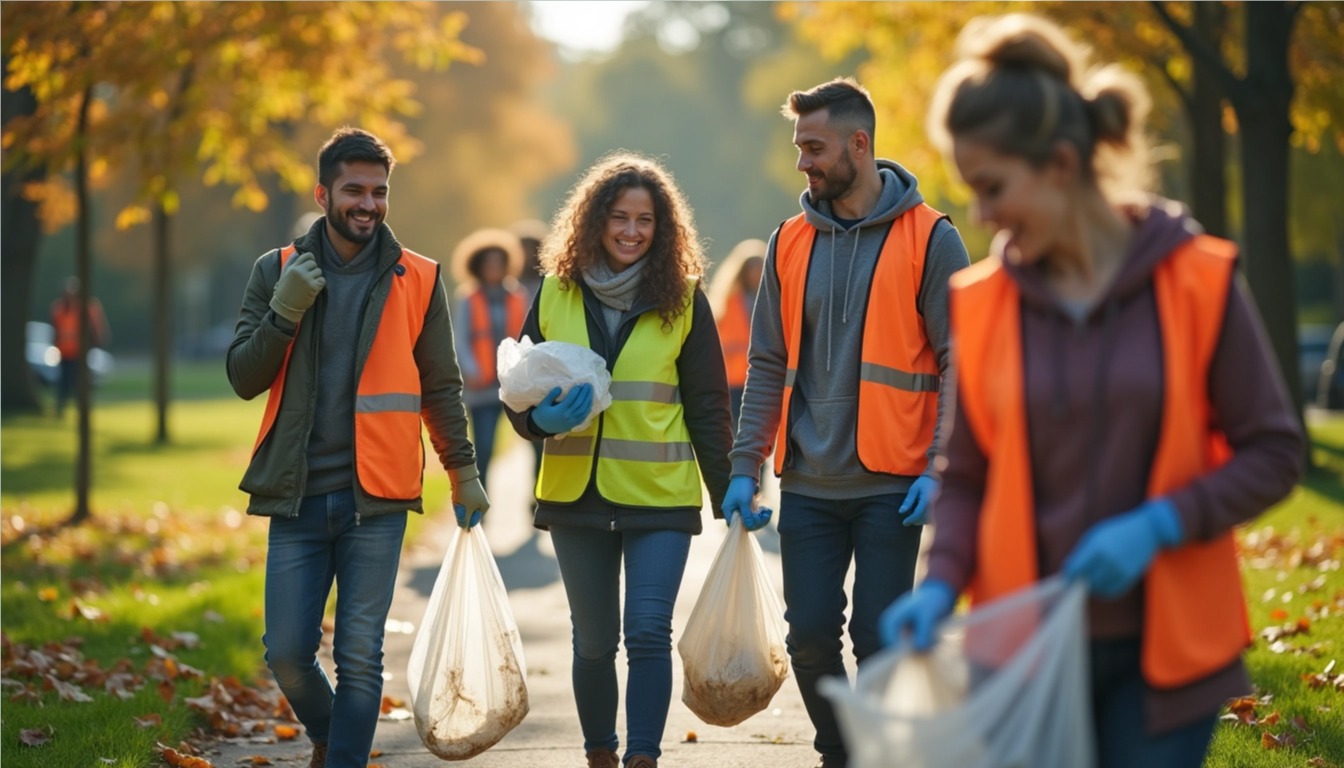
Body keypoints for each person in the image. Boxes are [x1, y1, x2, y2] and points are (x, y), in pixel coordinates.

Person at [879, 15, 1304, 768]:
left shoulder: (1198, 280)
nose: (981, 214)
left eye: (992, 187)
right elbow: (967, 475)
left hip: (1168, 663)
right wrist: (941, 584)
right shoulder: (982, 304)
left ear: (1062, 164)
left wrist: (1162, 524)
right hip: (1025, 657)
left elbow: (1274, 451)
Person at [722, 77, 971, 768]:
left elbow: (962, 362)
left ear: (858, 145)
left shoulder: (933, 238)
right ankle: (841, 751)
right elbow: (766, 362)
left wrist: (941, 465)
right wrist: (744, 467)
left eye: (814, 148)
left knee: (878, 639)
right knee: (808, 637)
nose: (802, 163)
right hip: (808, 480)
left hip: (895, 480)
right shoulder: (788, 241)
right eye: (799, 148)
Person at [226, 127, 490, 768]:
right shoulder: (276, 270)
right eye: (354, 191)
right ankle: (331, 733)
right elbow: (242, 376)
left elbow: (440, 385)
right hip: (297, 493)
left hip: (378, 497)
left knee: (360, 655)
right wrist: (283, 313)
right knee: (287, 653)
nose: (368, 204)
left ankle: (343, 755)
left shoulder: (419, 278)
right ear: (323, 194)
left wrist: (462, 471)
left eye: (379, 191)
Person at [503, 152, 733, 768]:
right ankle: (600, 753)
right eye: (620, 217)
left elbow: (709, 405)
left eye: (646, 220)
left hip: (660, 495)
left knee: (649, 632)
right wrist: (538, 423)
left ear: (664, 228)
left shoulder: (685, 299)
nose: (632, 231)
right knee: (594, 642)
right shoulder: (554, 292)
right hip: (576, 496)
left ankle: (643, 757)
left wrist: (730, 491)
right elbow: (517, 393)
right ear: (595, 219)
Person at [450, 228, 529, 489]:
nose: (494, 267)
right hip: (482, 387)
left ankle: (537, 499)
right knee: (483, 448)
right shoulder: (468, 298)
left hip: (516, 385)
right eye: (489, 262)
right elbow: (461, 339)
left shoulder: (519, 296)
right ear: (477, 266)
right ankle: (480, 501)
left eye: (499, 262)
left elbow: (527, 337)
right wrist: (471, 371)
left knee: (538, 443)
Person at [707, 238, 766, 427]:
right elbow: (716, 343)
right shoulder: (727, 302)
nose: (756, 273)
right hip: (733, 379)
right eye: (752, 268)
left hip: (761, 379)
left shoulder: (771, 301)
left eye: (760, 267)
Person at [509, 217, 551, 481]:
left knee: (539, 436)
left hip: (539, 367)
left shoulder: (548, 284)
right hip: (508, 365)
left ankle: (537, 489)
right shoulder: (507, 286)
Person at [50, 276, 108, 416]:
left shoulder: (86, 308)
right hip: (64, 353)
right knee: (63, 383)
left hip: (80, 353)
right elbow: (55, 330)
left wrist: (96, 343)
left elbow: (95, 329)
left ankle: (83, 410)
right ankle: (60, 411)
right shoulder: (58, 309)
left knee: (80, 383)